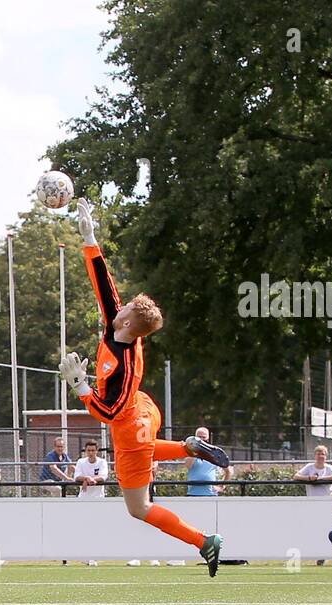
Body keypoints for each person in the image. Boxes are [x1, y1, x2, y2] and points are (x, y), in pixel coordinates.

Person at [59, 198, 229, 575]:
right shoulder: (121, 328)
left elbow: (108, 412)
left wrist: (81, 387)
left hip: (129, 422)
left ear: (126, 324)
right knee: (145, 451)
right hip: (143, 410)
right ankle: (188, 447)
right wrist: (89, 240)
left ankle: (204, 541)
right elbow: (105, 287)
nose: (116, 307)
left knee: (139, 507)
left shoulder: (121, 362)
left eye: (123, 309)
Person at [185, 426, 232, 496]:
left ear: (208, 438)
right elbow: (188, 466)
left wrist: (222, 486)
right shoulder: (190, 453)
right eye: (199, 437)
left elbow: (228, 471)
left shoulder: (214, 453)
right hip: (193, 493)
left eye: (204, 437)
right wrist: (196, 449)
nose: (201, 439)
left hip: (211, 494)